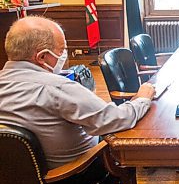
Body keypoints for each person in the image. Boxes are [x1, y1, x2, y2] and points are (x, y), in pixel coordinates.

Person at [0, 16, 155, 169]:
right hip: (73, 174)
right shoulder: (57, 88)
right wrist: (142, 98)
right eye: (61, 50)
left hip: (15, 182)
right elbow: (117, 119)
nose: (64, 56)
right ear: (42, 57)